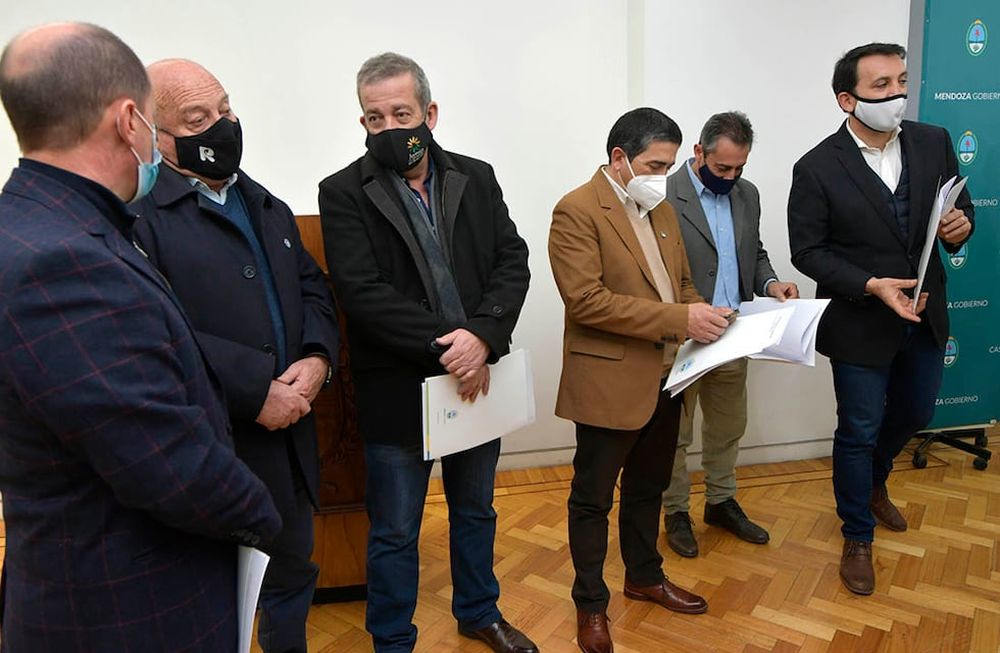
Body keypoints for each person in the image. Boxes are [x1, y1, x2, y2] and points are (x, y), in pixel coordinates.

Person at [0, 23, 282, 652]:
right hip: (128, 610)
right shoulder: (64, 258)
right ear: (131, 121)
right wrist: (264, 519)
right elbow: (168, 466)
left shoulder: (39, 222)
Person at [317, 53, 535, 653]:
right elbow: (362, 294)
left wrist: (484, 336)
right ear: (363, 123)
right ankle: (392, 639)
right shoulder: (342, 192)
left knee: (476, 510)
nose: (388, 127)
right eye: (375, 117)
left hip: (477, 379)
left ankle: (479, 612)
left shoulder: (477, 175)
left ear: (430, 114)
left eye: (401, 113)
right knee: (393, 531)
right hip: (401, 390)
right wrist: (452, 347)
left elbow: (511, 261)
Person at [131, 59, 340, 653]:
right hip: (212, 445)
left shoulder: (261, 201)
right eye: (200, 118)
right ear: (155, 133)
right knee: (210, 591)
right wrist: (256, 391)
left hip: (291, 441)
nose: (223, 127)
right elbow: (159, 332)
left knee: (291, 572)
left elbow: (311, 288)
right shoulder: (137, 218)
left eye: (225, 109)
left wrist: (318, 358)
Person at [788, 42, 974, 595]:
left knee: (915, 412)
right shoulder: (817, 166)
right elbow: (808, 250)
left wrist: (960, 227)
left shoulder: (933, 142)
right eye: (880, 87)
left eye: (901, 81)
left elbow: (962, 207)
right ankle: (858, 534)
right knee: (858, 430)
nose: (896, 95)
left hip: (924, 315)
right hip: (859, 321)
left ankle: (875, 482)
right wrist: (869, 285)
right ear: (848, 100)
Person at [549, 108, 727, 653]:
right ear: (620, 158)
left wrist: (716, 319)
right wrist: (682, 320)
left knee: (649, 487)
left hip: (666, 377)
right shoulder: (577, 209)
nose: (663, 176)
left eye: (670, 165)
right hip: (609, 382)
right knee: (592, 498)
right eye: (654, 164)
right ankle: (591, 605)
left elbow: (683, 287)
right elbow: (587, 301)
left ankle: (644, 576)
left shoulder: (664, 210)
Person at [661, 111, 799, 557]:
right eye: (722, 168)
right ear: (698, 152)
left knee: (727, 426)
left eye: (740, 167)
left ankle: (720, 501)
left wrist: (771, 283)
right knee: (675, 435)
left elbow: (751, 252)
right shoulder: (663, 192)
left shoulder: (747, 194)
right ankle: (675, 511)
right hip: (680, 335)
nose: (732, 176)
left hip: (731, 334)